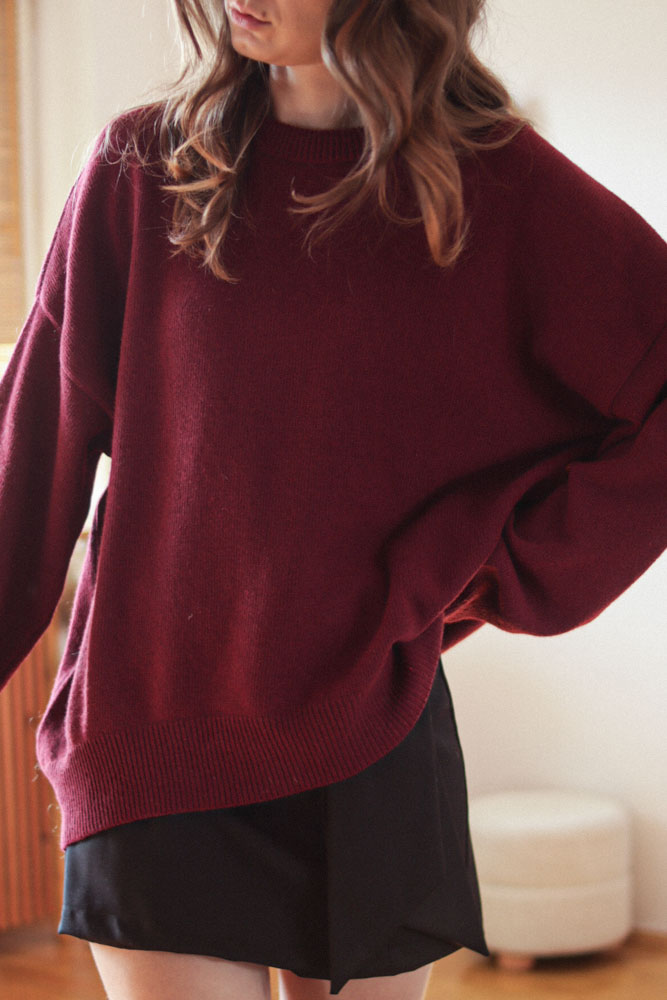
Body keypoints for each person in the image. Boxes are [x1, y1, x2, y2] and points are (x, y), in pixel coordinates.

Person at [1, 1, 666, 998]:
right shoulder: (140, 168)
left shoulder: (495, 188)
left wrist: (503, 570)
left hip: (368, 737)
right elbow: (29, 452)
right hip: (150, 739)